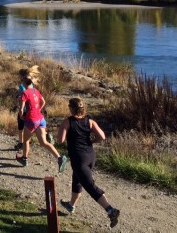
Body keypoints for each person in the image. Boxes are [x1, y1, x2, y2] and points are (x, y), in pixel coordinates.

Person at [56, 98, 120, 229]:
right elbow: (102, 136)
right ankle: (71, 205)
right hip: (90, 156)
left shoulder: (68, 122)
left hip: (79, 159)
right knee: (77, 179)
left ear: (71, 108)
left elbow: (61, 140)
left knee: (90, 186)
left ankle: (110, 210)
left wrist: (61, 130)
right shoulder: (90, 121)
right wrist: (92, 141)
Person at [15, 77, 67, 172]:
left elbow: (21, 109)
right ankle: (59, 158)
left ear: (24, 84)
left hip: (31, 120)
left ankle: (24, 159)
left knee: (26, 140)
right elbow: (43, 101)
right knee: (43, 143)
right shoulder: (36, 90)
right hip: (41, 119)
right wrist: (39, 109)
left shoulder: (25, 93)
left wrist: (21, 116)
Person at [14, 67, 39, 151]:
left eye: (19, 75)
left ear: (21, 76)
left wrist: (17, 96)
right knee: (30, 127)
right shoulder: (31, 84)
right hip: (31, 109)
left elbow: (23, 96)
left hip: (24, 109)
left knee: (20, 128)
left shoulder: (22, 85)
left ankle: (21, 143)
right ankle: (29, 141)